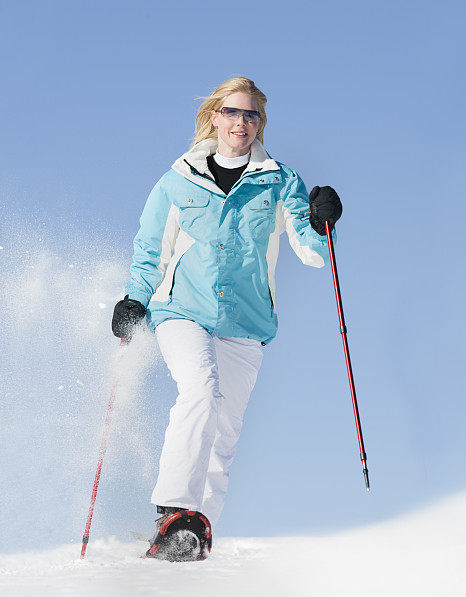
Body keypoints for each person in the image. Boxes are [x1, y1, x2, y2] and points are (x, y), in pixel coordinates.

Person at [111, 77, 342, 560]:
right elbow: (150, 247)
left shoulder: (280, 181)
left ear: (261, 123)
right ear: (215, 116)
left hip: (246, 321)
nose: (242, 122)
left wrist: (324, 222)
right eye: (233, 112)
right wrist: (135, 297)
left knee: (226, 428)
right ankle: (173, 509)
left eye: (252, 115)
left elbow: (313, 252)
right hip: (182, 309)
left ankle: (195, 533)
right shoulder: (178, 180)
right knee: (201, 391)